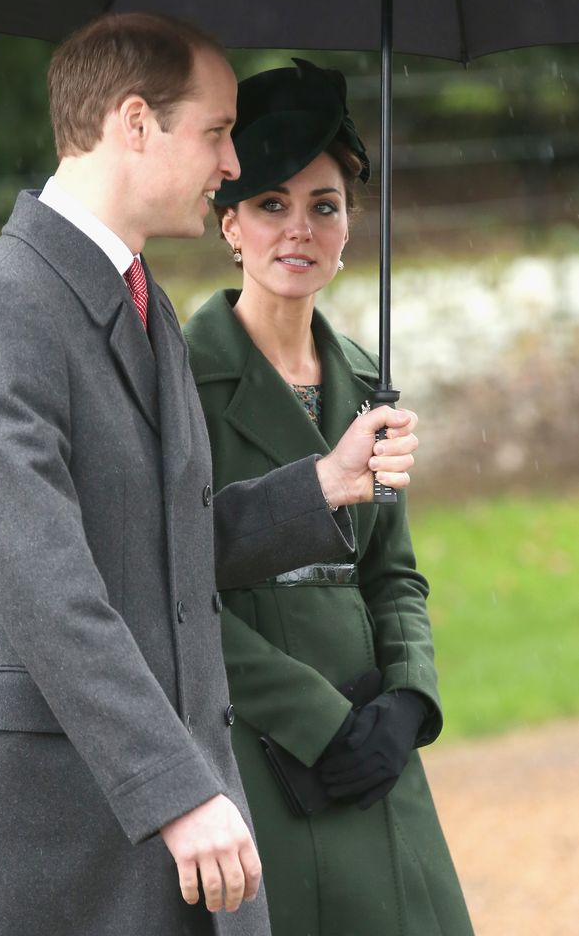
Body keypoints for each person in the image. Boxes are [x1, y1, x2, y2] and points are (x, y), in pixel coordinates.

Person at [0, 14, 420, 936]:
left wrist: (322, 484)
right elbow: (49, 592)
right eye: (219, 132)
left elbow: (157, 545)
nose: (233, 165)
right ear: (137, 122)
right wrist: (174, 793)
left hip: (177, 819)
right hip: (58, 838)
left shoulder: (139, 301)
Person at [184, 59, 474, 936]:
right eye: (272, 203)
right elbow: (175, 592)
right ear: (229, 221)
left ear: (350, 226)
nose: (298, 230)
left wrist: (409, 701)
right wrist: (318, 722)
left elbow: (394, 576)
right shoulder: (178, 382)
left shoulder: (364, 378)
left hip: (376, 754)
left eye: (324, 205)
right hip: (261, 752)